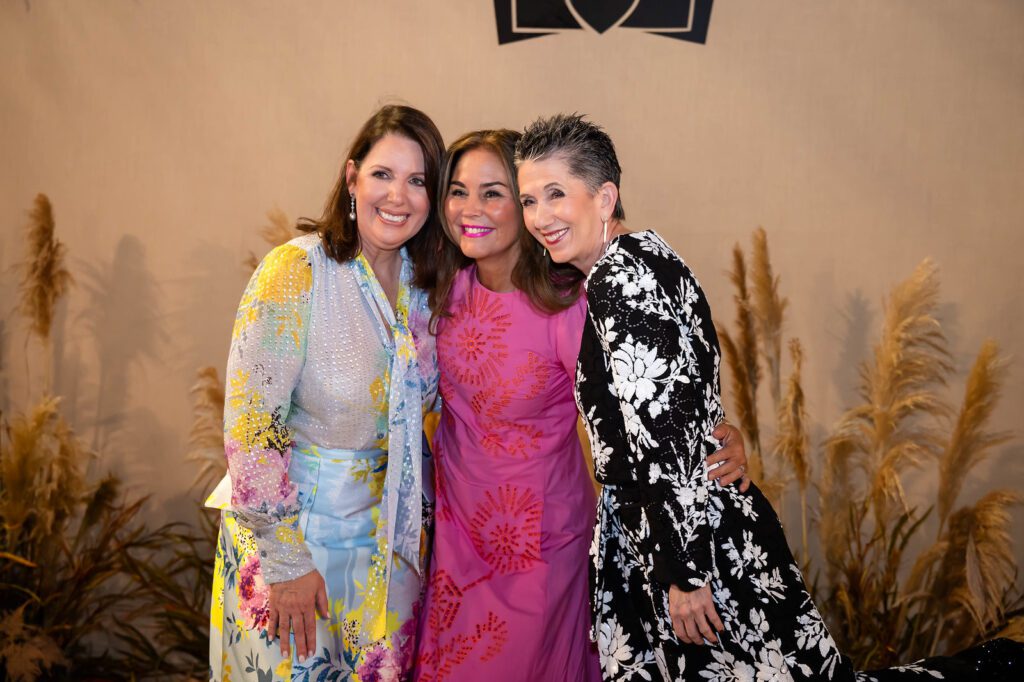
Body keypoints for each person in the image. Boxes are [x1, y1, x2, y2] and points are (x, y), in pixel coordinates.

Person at [514, 114, 1022, 681]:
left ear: (604, 197)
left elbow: (661, 439)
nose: (539, 217)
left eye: (555, 194)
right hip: (697, 523)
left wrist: (683, 574)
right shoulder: (651, 257)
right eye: (529, 200)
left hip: (683, 542)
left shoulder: (620, 281)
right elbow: (684, 402)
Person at [413, 130, 750, 681]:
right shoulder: (438, 291)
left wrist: (716, 434)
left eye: (494, 193)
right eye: (458, 191)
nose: (471, 209)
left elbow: (644, 409)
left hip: (540, 543)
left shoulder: (569, 305)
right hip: (455, 541)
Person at [207, 104, 444, 681]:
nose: (398, 196)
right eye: (383, 174)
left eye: (418, 181)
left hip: (388, 546)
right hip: (294, 537)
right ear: (351, 177)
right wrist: (285, 562)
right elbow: (252, 426)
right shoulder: (296, 271)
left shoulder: (426, 286)